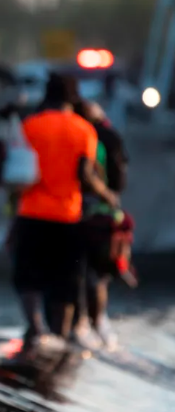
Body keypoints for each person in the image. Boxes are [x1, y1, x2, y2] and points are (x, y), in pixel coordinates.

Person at [12, 74, 119, 349]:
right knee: (67, 278)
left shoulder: (30, 126)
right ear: (72, 97)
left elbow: (18, 171)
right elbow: (85, 174)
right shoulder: (83, 129)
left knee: (28, 275)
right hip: (67, 215)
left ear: (46, 97)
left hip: (31, 212)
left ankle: (35, 328)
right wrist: (106, 193)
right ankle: (60, 335)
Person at [73, 100, 133, 346]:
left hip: (68, 214)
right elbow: (119, 180)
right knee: (98, 274)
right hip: (101, 215)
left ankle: (78, 324)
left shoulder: (72, 133)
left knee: (75, 271)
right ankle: (98, 323)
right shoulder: (108, 136)